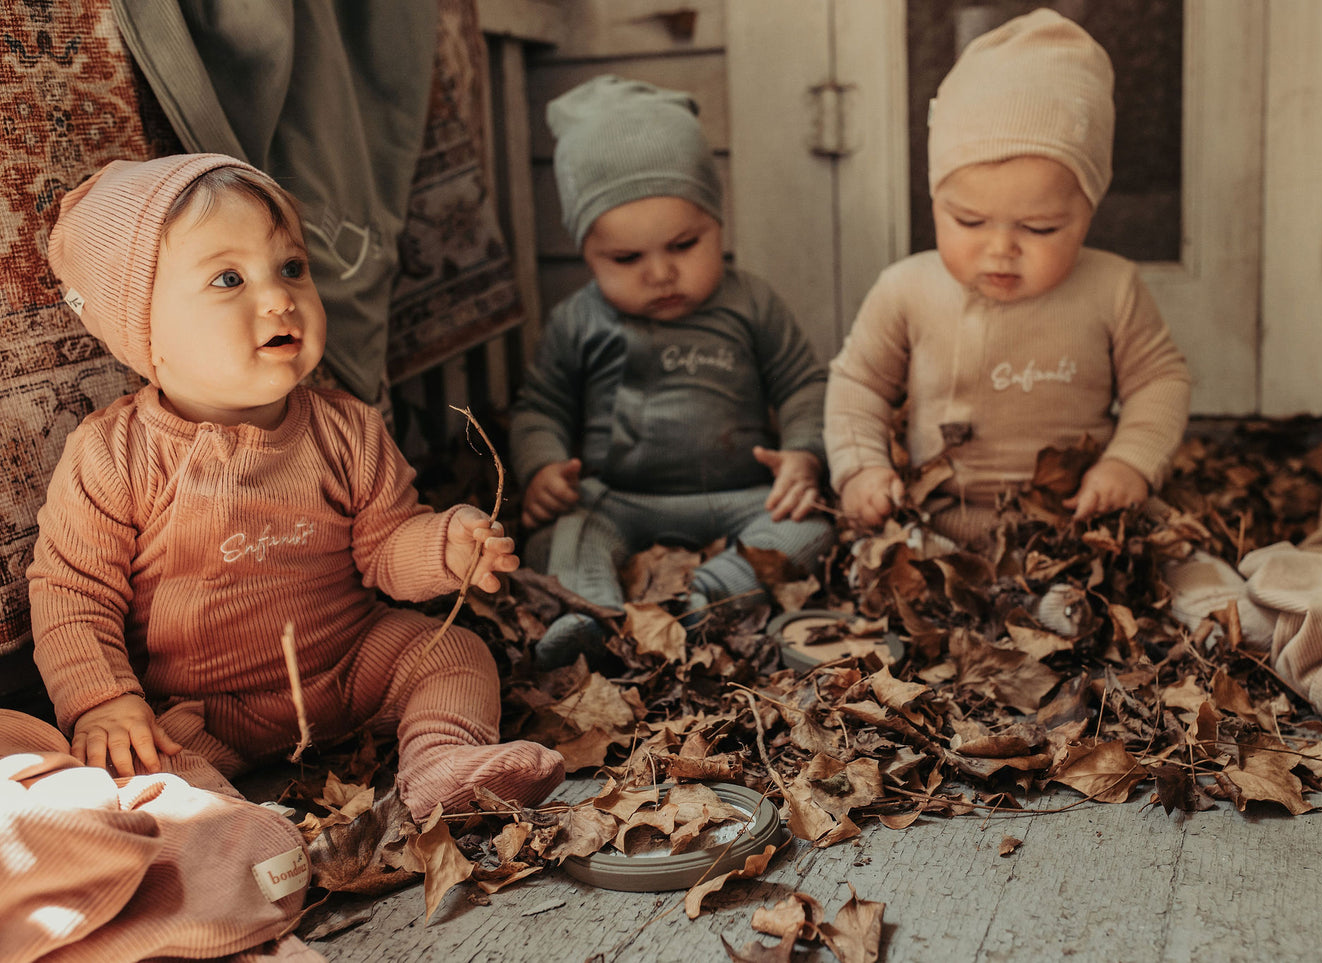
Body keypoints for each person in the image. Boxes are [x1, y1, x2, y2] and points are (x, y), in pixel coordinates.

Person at [30, 153, 565, 822]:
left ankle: (439, 764)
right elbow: (73, 593)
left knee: (451, 650)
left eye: (291, 268)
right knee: (141, 760)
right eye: (229, 278)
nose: (280, 297)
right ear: (144, 332)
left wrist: (442, 547)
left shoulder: (345, 428)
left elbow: (384, 546)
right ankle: (230, 828)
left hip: (347, 665)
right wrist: (102, 697)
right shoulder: (113, 455)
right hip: (203, 707)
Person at [825, 9, 1191, 549]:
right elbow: (859, 384)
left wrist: (1128, 464)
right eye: (968, 221)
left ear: (1088, 211)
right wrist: (860, 469)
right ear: (935, 202)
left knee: (1166, 553)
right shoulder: (906, 289)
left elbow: (1159, 381)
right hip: (937, 516)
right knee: (879, 559)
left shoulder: (1111, 288)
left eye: (1039, 227)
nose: (1000, 250)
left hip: (1074, 516)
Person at [511, 75, 834, 669]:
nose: (660, 273)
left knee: (809, 525)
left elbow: (802, 383)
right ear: (586, 252)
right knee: (557, 534)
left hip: (742, 496)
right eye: (627, 258)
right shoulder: (577, 320)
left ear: (718, 223)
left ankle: (708, 597)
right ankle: (592, 617)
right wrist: (542, 468)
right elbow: (541, 405)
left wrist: (803, 454)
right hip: (617, 498)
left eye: (684, 245)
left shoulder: (751, 303)